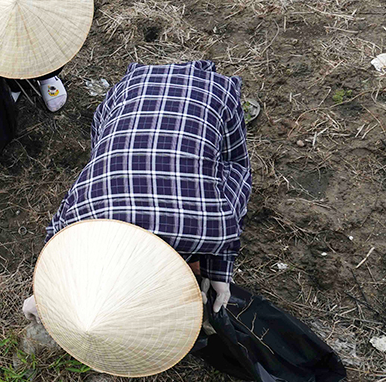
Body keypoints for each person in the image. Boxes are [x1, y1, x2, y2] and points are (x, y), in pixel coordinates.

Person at [24, 60, 252, 324]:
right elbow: (56, 239)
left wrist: (217, 271)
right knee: (102, 152)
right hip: (129, 88)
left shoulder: (213, 228)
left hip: (212, 92)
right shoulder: (78, 222)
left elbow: (236, 167)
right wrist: (44, 291)